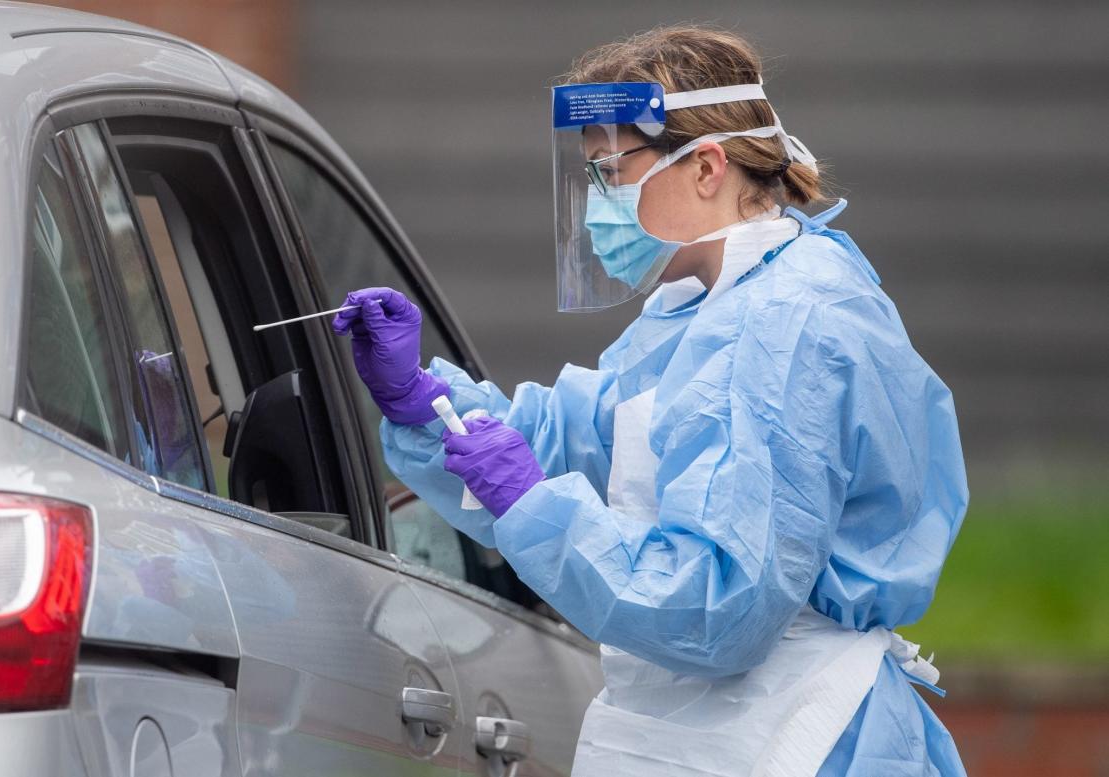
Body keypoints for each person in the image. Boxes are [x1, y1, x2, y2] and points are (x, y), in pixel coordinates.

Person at [333, 24, 968, 777]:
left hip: (795, 730)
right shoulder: (699, 309)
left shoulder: (790, 322)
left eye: (611, 172)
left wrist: (535, 505)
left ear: (705, 167)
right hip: (712, 725)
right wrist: (421, 399)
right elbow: (578, 443)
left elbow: (720, 606)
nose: (597, 202)